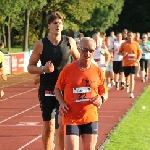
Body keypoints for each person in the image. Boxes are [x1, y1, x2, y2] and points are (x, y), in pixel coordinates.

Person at [27, 11, 80, 150]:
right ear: (49, 25)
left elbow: (79, 61)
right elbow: (30, 67)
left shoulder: (69, 42)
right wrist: (43, 69)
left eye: (60, 23)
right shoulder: (41, 44)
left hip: (65, 89)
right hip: (47, 87)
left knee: (61, 125)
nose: (58, 25)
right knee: (49, 126)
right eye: (55, 23)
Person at [54, 37, 108, 150]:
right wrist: (62, 103)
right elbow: (57, 89)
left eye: (91, 50)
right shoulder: (67, 70)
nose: (87, 53)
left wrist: (101, 99)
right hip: (71, 118)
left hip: (90, 117)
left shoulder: (98, 72)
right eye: (84, 49)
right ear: (78, 49)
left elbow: (104, 93)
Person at [118, 31, 142, 98]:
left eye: (131, 35)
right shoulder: (124, 44)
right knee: (127, 78)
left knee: (132, 77)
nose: (130, 37)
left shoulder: (136, 44)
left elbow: (140, 53)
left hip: (133, 63)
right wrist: (123, 54)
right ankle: (127, 85)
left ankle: (131, 92)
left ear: (133, 36)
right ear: (127, 36)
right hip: (126, 63)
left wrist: (138, 59)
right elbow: (118, 52)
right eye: (129, 35)